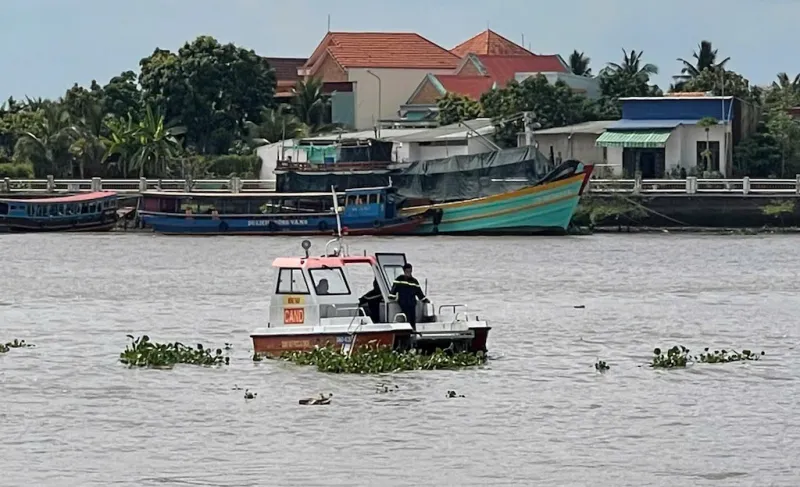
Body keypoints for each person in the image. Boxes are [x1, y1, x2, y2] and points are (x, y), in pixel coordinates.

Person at [389, 263, 429, 330]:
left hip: (412, 303)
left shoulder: (414, 281)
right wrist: (391, 297)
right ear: (404, 271)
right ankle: (408, 331)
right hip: (403, 302)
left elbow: (419, 293)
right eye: (407, 271)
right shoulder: (399, 280)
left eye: (410, 271)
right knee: (407, 317)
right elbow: (393, 291)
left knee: (413, 318)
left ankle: (413, 331)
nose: (409, 273)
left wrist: (425, 299)